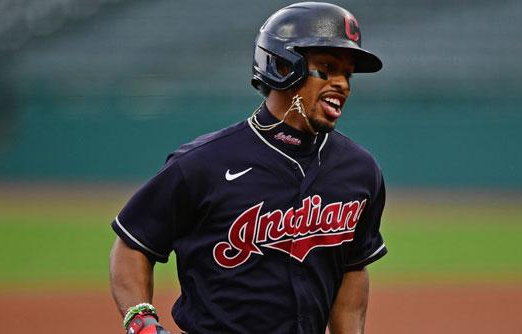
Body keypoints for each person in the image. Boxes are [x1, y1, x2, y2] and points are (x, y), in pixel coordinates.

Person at [109, 2, 387, 333]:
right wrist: (140, 320)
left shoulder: (360, 172)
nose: (342, 84)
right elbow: (133, 243)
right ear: (283, 66)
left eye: (348, 74)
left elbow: (353, 268)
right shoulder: (203, 163)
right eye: (327, 68)